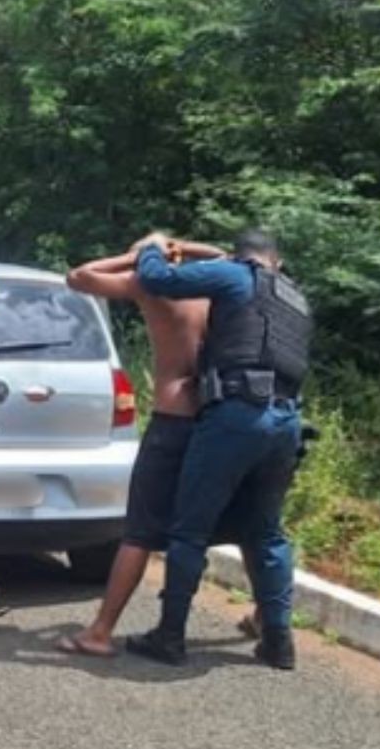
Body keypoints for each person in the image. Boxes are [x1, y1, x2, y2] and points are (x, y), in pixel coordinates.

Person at [55, 234, 257, 659]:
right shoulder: (214, 286)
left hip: (172, 419)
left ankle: (101, 631)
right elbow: (229, 255)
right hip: (216, 416)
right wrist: (183, 246)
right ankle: (263, 614)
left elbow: (79, 277)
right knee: (242, 521)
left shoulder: (150, 284)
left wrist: (138, 254)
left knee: (141, 530)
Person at [124, 228, 310, 671]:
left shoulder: (234, 277)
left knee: (189, 529)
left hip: (236, 416)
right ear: (276, 260)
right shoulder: (295, 295)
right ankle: (278, 642)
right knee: (266, 532)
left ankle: (169, 637)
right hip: (287, 422)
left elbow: (157, 280)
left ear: (240, 256)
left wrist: (152, 247)